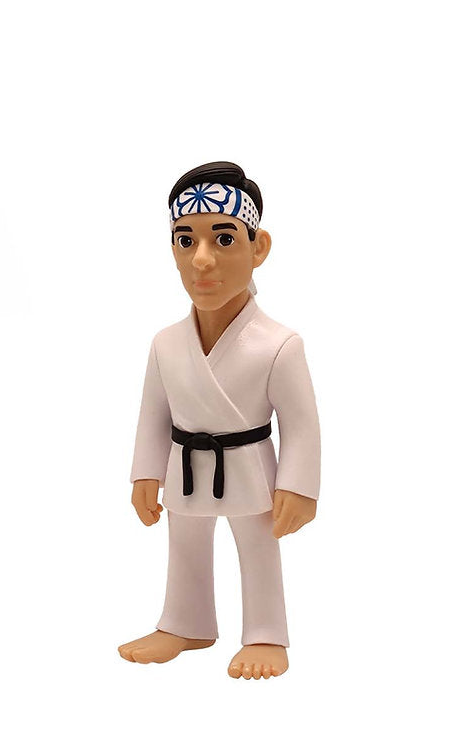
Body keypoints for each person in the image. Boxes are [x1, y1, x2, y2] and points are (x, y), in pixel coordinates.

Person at [117, 162, 321, 679]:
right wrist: (146, 472)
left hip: (249, 464)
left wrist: (299, 486)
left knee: (258, 547)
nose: (201, 259)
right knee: (184, 544)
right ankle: (185, 623)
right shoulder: (166, 343)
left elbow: (301, 425)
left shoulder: (279, 344)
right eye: (185, 241)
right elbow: (153, 415)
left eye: (224, 239)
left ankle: (266, 632)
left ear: (259, 247)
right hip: (184, 464)